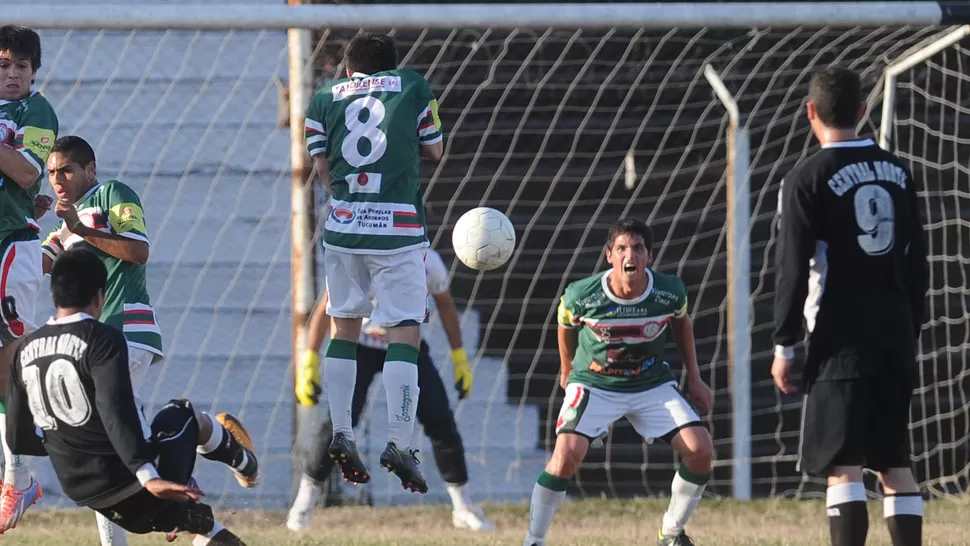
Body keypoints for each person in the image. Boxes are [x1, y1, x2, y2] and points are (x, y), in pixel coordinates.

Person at [5, 248, 260, 544]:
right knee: (183, 413)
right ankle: (244, 463)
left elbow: (16, 437)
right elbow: (116, 410)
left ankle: (191, 516)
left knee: (193, 519)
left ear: (54, 295)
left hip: (84, 491)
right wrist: (147, 473)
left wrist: (69, 442)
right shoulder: (102, 339)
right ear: (99, 296)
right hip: (134, 483)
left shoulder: (23, 350)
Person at [771, 66, 928, 546]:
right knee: (894, 462)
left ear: (809, 112)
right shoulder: (900, 172)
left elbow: (794, 269)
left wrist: (784, 343)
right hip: (894, 332)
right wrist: (910, 327)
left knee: (843, 467)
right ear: (863, 111)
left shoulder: (805, 178)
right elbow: (918, 262)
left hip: (840, 338)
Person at [303, 31, 443, 493]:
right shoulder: (413, 85)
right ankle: (399, 441)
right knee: (405, 333)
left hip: (344, 228)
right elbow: (434, 150)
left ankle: (342, 431)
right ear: (392, 66)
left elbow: (321, 168)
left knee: (344, 328)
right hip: (399, 228)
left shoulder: (323, 100)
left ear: (347, 69)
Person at [523, 219, 714, 546]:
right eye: (622, 248)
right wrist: (567, 369)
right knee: (566, 455)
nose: (631, 255)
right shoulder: (582, 295)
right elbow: (565, 324)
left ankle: (670, 533)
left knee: (701, 451)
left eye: (638, 248)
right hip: (594, 383)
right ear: (608, 255)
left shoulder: (669, 292)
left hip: (650, 383)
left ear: (649, 257)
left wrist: (694, 378)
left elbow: (682, 323)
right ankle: (534, 540)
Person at [287, 248, 494, 532]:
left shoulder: (427, 262)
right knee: (341, 424)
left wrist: (459, 358)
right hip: (362, 345)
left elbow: (445, 305)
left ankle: (463, 506)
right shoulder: (358, 259)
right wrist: (309, 360)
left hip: (407, 347)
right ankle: (304, 502)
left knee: (439, 418)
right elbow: (327, 304)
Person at [40, 135, 171, 546]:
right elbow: (41, 263)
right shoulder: (64, 224)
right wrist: (23, 223)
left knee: (111, 438)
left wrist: (81, 228)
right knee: (107, 445)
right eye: (50, 173)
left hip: (128, 330)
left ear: (89, 170)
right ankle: (197, 446)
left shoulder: (113, 194)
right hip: (97, 341)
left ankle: (188, 457)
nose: (57, 180)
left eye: (66, 170)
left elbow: (139, 251)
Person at [0, 24, 59, 531]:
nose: (13, 74)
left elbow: (24, 173)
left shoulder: (34, 111)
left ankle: (17, 477)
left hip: (10, 243)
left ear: (34, 71)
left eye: (21, 65)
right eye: (3, 65)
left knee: (11, 355)